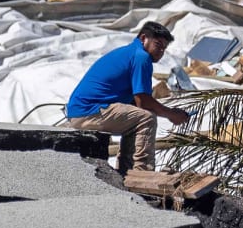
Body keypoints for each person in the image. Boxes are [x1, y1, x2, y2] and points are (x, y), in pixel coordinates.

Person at [66, 21, 190, 174]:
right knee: (146, 118)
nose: (161, 52)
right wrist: (172, 114)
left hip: (79, 112)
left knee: (137, 117)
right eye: (158, 45)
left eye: (164, 48)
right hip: (90, 111)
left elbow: (137, 102)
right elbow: (144, 102)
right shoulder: (141, 57)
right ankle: (142, 172)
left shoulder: (128, 52)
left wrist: (168, 112)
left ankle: (127, 171)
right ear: (144, 37)